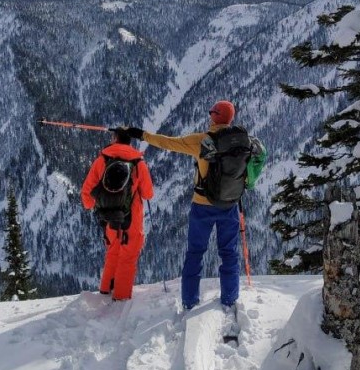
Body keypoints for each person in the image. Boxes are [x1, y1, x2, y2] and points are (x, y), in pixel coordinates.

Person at [124, 100, 262, 311]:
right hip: (230, 205)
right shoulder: (245, 141)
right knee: (229, 253)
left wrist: (141, 134)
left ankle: (190, 301)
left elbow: (167, 142)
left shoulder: (201, 140)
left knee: (195, 253)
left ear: (214, 116)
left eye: (211, 112)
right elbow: (260, 157)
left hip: (202, 206)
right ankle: (229, 298)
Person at [81, 128, 153, 301]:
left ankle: (106, 288)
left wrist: (94, 205)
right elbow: (148, 194)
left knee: (113, 249)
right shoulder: (138, 163)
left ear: (115, 139)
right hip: (131, 217)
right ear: (129, 142)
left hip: (108, 215)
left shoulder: (102, 160)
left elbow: (87, 193)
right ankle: (120, 297)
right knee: (128, 254)